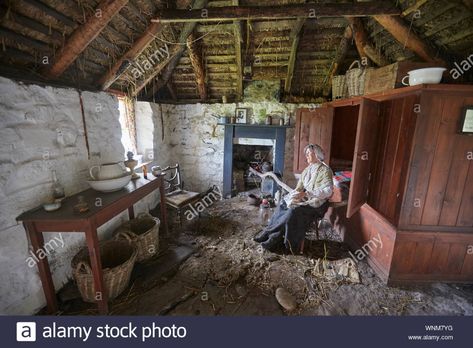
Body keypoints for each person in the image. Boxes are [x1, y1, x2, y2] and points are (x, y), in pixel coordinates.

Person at [254, 144, 333, 252]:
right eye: (307, 154)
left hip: (317, 203)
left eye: (310, 153)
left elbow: (328, 191)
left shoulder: (325, 171)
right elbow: (299, 188)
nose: (307, 156)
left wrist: (306, 194)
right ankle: (271, 235)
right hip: (306, 199)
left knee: (292, 211)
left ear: (317, 155)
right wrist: (293, 196)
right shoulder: (307, 171)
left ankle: (279, 239)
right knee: (282, 205)